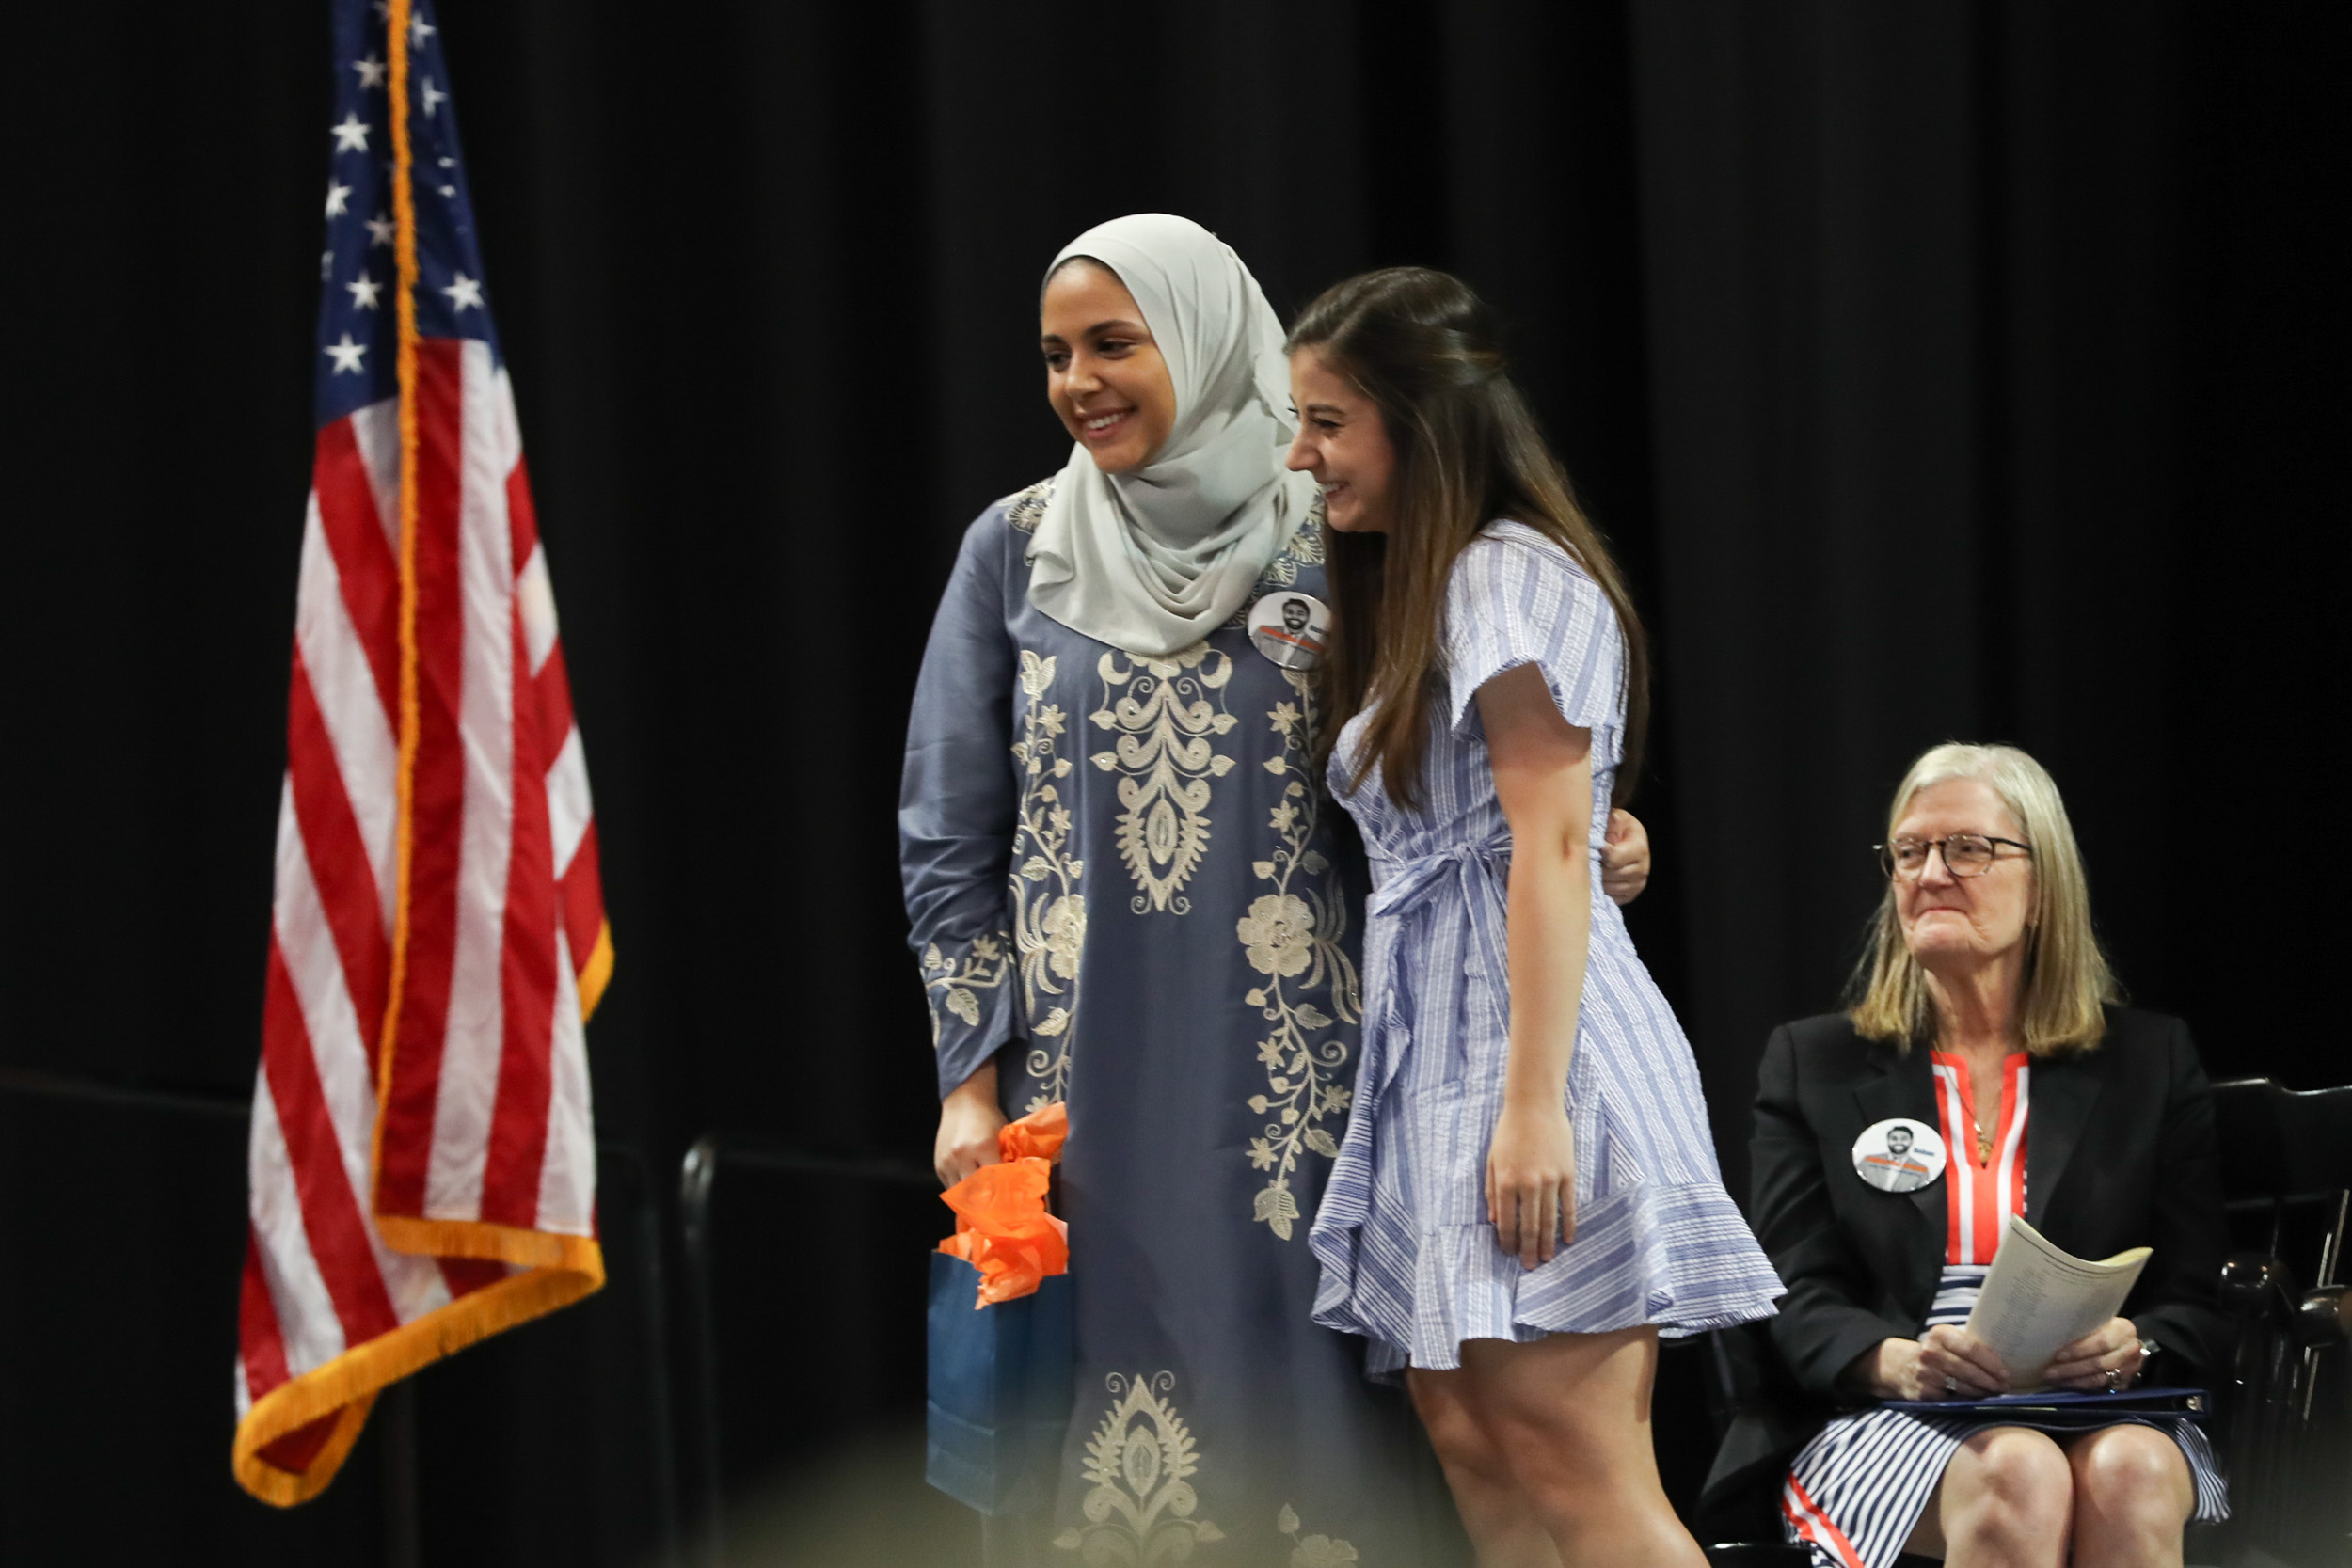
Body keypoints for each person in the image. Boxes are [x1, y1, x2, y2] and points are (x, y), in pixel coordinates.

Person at [900, 216, 1654, 1565]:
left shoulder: (1339, 524)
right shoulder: (1013, 550)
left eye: (1116, 344)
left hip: (1315, 1089)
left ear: (1203, 339)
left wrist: (1600, 823)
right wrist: (972, 1073)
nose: (1081, 380)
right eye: (1057, 354)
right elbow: (946, 835)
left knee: (1357, 1440)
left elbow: (1472, 746)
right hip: (1080, 1103)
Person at [1289, 265, 1783, 1568]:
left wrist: (1534, 1103)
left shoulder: (1506, 573)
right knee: (1484, 1452)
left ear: (1420, 420)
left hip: (1526, 1062)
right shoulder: (1421, 586)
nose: (1304, 456)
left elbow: (1556, 835)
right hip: (1436, 1059)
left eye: (1329, 422)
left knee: (1579, 1476)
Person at [1704, 742, 2231, 1568]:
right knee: (2016, 1469)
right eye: (1909, 851)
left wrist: (2135, 1343)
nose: (1930, 872)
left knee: (2133, 1469)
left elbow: (2197, 1295)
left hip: (2098, 1405)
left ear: (2043, 887)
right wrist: (1898, 1362)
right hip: (1886, 1405)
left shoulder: (2148, 1060)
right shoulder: (1815, 1063)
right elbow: (1792, 1293)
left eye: (1969, 848)